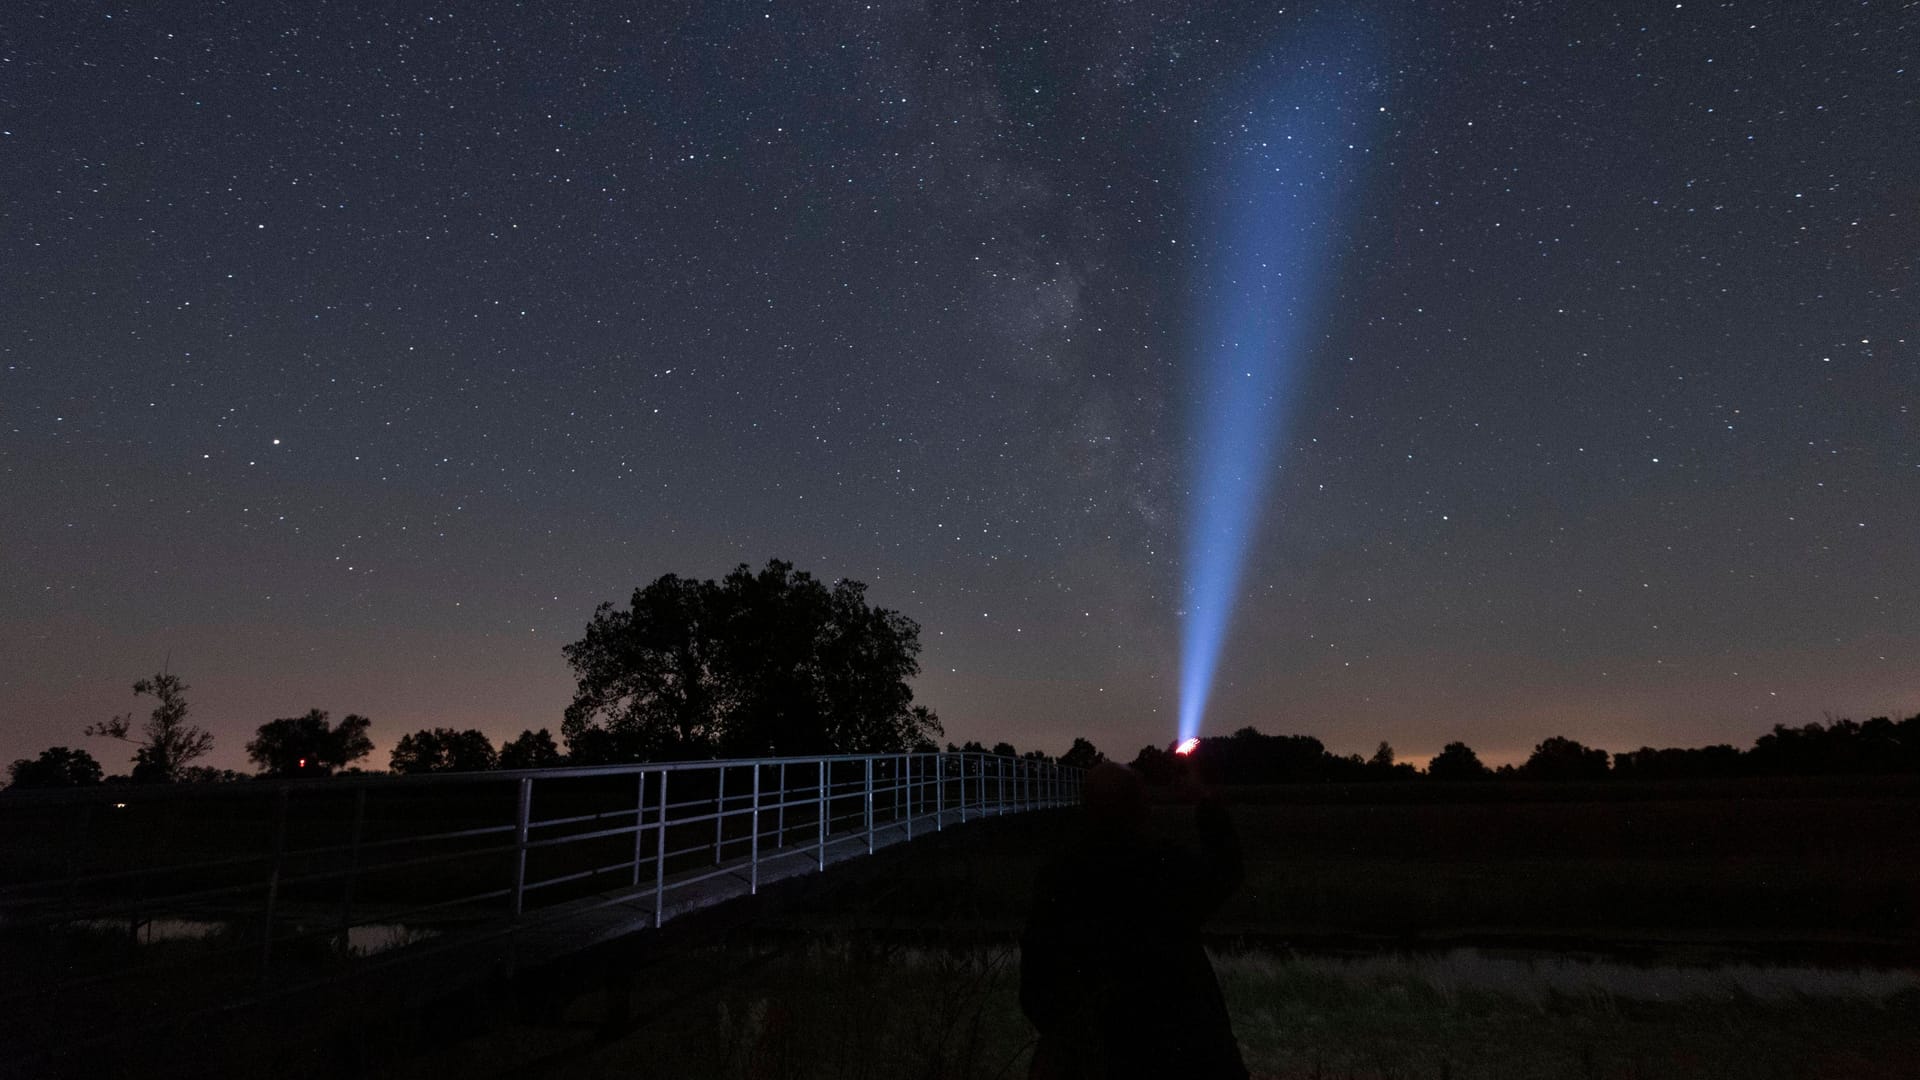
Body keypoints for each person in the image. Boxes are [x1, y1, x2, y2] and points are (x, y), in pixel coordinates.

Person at [1020, 760, 1248, 1080]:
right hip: (1180, 1054)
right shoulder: (1161, 865)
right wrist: (1206, 802)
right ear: (1139, 809)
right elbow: (1225, 872)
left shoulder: (1060, 874)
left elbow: (1035, 985)